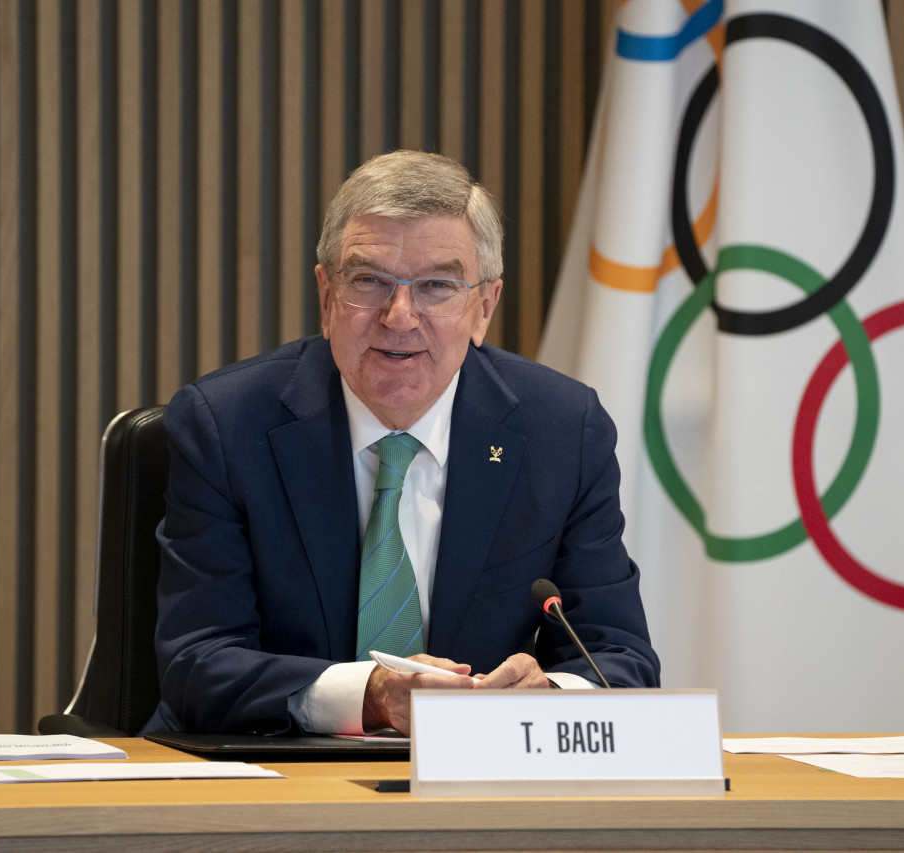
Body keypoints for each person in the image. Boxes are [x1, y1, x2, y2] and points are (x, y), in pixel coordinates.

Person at [143, 150, 659, 737]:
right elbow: (196, 663)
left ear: (483, 306)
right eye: (369, 281)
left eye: (437, 285)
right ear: (326, 293)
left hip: (479, 786)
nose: (399, 315)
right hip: (273, 771)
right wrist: (369, 695)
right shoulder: (227, 424)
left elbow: (621, 660)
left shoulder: (561, 430)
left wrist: (549, 696)